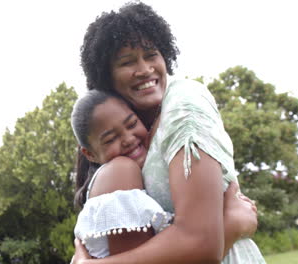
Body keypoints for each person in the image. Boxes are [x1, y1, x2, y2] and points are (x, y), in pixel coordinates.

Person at [72, 2, 265, 263]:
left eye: (151, 55)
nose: (144, 69)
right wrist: (231, 224)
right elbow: (201, 242)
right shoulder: (121, 167)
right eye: (127, 62)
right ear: (107, 78)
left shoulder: (182, 105)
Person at [71, 90, 175, 258]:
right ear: (90, 154)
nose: (128, 139)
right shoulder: (121, 170)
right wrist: (225, 232)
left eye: (132, 124)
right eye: (110, 139)